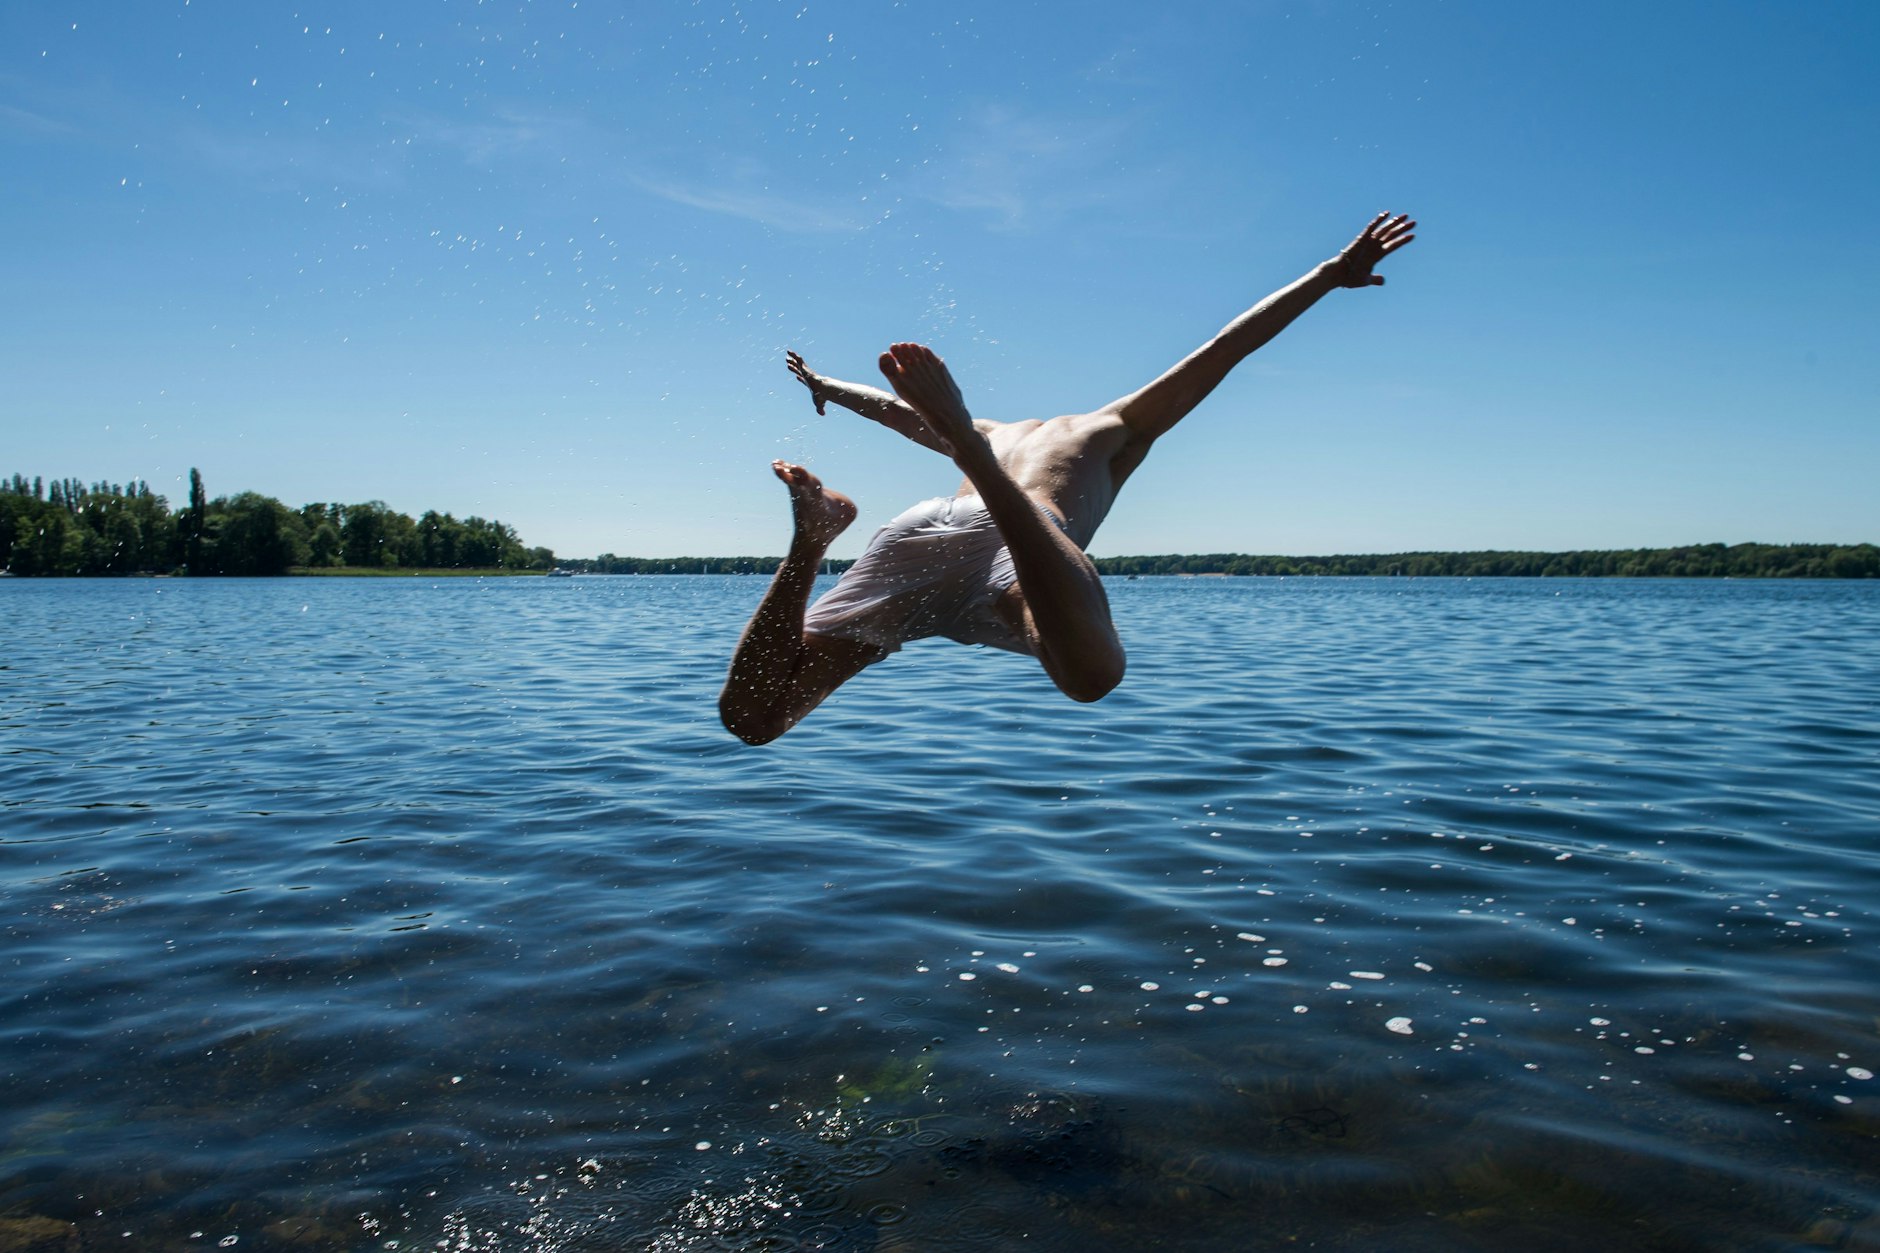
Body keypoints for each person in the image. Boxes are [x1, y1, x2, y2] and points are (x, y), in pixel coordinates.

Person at [719, 212, 1416, 744]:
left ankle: (813, 540)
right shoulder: (1109, 428)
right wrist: (1327, 276)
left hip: (926, 531)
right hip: (1014, 551)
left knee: (755, 717)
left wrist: (825, 385)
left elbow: (891, 411)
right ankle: (972, 467)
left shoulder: (1002, 427)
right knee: (1093, 677)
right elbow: (1221, 351)